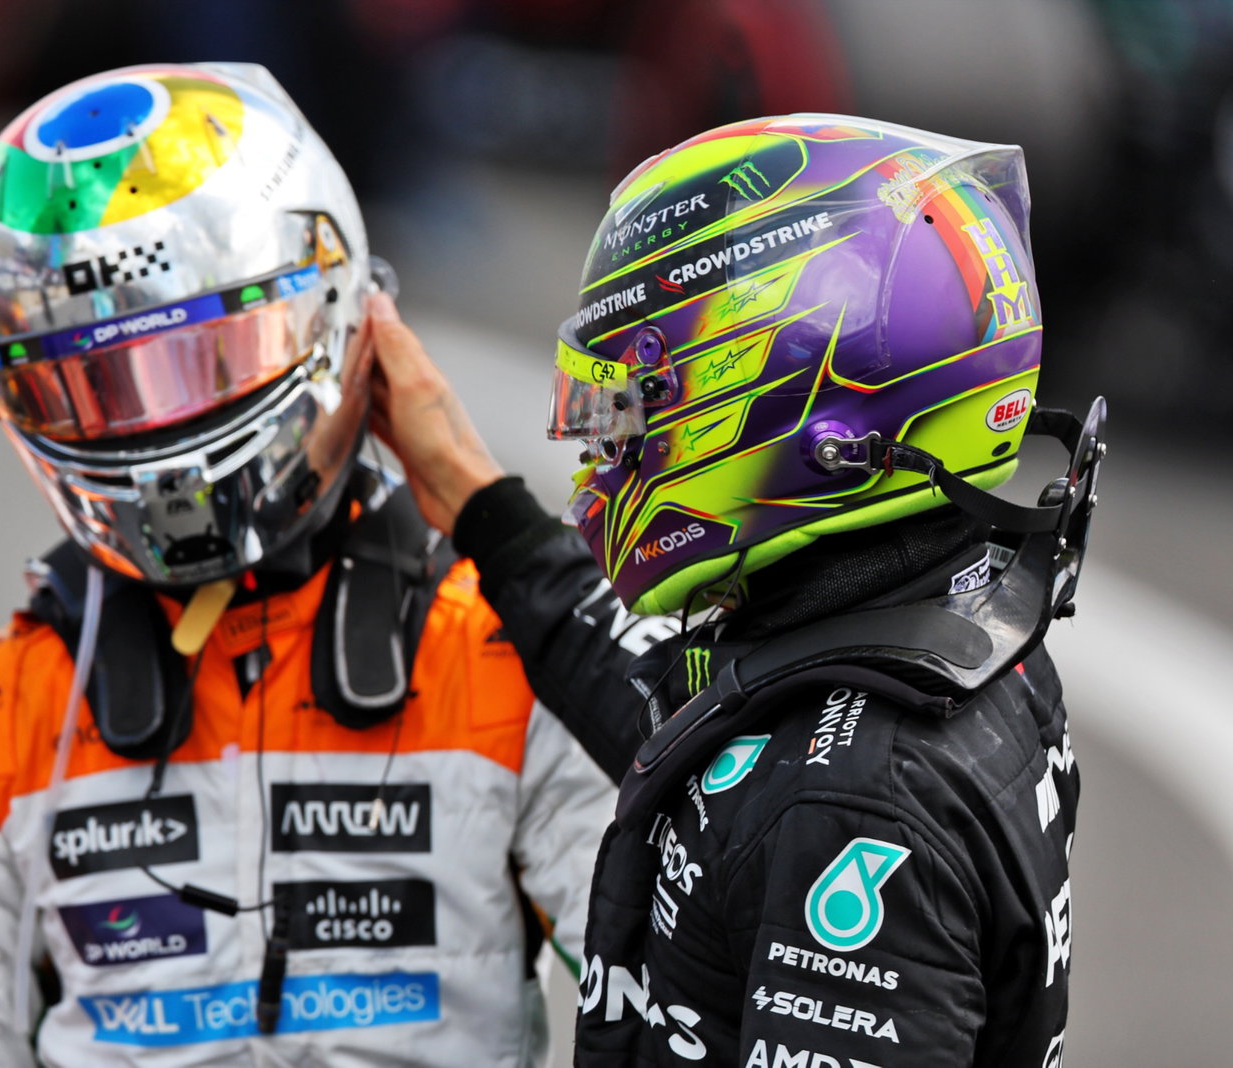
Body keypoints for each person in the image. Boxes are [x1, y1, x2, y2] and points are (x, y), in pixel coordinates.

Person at [0, 62, 625, 1066]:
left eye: (197, 362)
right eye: (102, 385)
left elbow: (684, 977)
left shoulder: (508, 654)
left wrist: (490, 510)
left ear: (343, 318)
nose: (159, 430)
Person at [370, 115, 1102, 1065]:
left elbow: (783, 782)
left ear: (807, 406)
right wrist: (474, 498)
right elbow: (708, 733)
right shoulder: (934, 631)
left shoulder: (848, 802)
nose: (603, 454)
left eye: (639, 404)